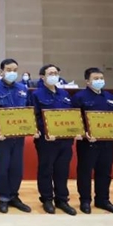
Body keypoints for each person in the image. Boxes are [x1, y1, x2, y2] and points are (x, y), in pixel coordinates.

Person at [71, 68, 113, 215]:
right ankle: (85, 200)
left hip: (107, 142)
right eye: (95, 78)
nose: (99, 80)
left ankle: (103, 200)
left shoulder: (110, 97)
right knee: (85, 172)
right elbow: (74, 119)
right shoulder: (79, 97)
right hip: (88, 142)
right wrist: (84, 133)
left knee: (105, 172)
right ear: (87, 81)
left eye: (101, 78)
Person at [32, 64, 77, 215]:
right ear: (42, 77)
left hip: (64, 140)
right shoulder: (36, 94)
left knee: (62, 170)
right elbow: (33, 116)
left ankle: (62, 199)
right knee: (46, 169)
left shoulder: (64, 93)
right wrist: (45, 130)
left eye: (56, 73)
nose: (54, 76)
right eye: (50, 73)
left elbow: (71, 115)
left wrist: (75, 130)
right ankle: (47, 199)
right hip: (47, 139)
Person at [0, 58, 33, 214]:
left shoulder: (23, 89)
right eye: (8, 70)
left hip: (18, 137)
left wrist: (30, 127)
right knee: (3, 168)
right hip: (1, 138)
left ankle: (14, 196)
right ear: (2, 71)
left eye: (15, 70)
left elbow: (29, 110)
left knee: (17, 168)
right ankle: (3, 198)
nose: (12, 73)